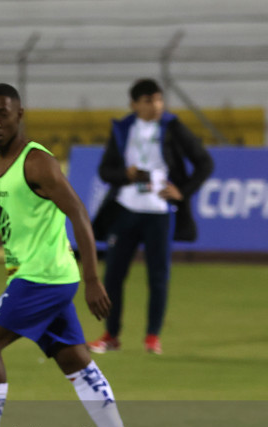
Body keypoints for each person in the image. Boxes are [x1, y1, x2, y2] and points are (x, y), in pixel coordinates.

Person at [0, 83, 139, 427]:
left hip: (43, 277)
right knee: (76, 362)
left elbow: (78, 213)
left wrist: (94, 278)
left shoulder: (36, 162)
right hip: (39, 278)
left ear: (20, 115)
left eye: (3, 115)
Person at [88, 78, 213, 355]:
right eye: (148, 100)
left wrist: (183, 191)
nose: (156, 105)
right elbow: (105, 172)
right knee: (113, 276)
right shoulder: (122, 129)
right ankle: (111, 335)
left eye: (158, 99)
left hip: (158, 212)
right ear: (134, 104)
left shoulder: (172, 127)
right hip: (125, 210)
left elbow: (205, 161)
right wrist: (125, 175)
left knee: (158, 277)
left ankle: (152, 337)